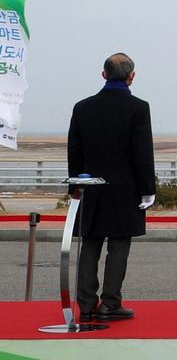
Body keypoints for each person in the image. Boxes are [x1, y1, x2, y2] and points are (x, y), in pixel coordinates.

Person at [66, 53, 157, 321]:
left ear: (103, 74)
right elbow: (142, 153)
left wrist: (75, 184)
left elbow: (74, 150)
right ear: (132, 76)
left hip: (90, 186)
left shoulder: (82, 107)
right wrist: (148, 189)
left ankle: (85, 305)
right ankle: (110, 303)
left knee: (90, 244)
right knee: (118, 246)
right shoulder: (139, 108)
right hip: (125, 189)